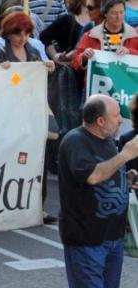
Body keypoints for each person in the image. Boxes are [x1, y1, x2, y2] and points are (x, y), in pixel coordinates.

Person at [58, 95, 138, 288]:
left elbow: (107, 169)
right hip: (86, 240)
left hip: (112, 238)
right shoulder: (75, 141)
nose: (121, 120)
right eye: (117, 115)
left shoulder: (108, 140)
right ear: (100, 120)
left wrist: (124, 178)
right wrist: (126, 155)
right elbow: (92, 176)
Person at [72, 0, 138, 77]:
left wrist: (130, 52)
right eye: (114, 13)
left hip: (127, 85)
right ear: (105, 13)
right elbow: (75, 63)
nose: (118, 17)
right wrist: (84, 56)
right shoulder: (91, 35)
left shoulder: (135, 35)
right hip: (98, 85)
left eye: (121, 12)